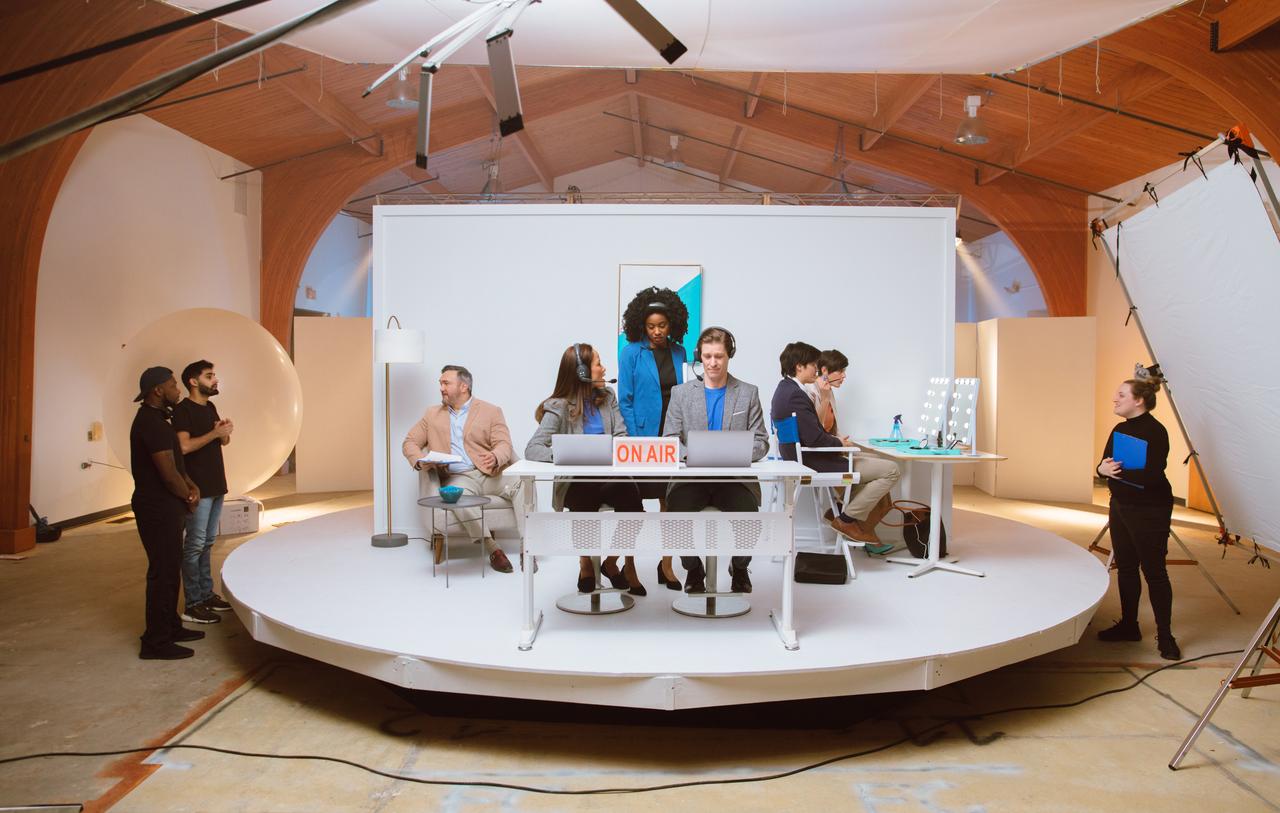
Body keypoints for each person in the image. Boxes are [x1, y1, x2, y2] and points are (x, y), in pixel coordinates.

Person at [525, 343, 647, 595]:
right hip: (578, 480)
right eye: (598, 364)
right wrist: (567, 455)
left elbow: (621, 436)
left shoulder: (608, 397)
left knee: (634, 504)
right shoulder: (558, 406)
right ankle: (585, 562)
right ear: (582, 373)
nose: (604, 369)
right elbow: (533, 448)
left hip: (610, 476)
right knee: (584, 500)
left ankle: (611, 561)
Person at [663, 327, 769, 594]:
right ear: (699, 356)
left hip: (734, 479)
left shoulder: (748, 392)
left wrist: (733, 454)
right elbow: (670, 439)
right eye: (707, 356)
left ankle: (740, 567)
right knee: (675, 514)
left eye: (719, 356)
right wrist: (691, 455)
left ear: (729, 355)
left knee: (749, 516)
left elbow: (761, 441)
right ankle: (693, 569)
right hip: (691, 478)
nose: (713, 363)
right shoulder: (681, 393)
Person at [771, 342, 899, 551]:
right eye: (813, 365)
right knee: (892, 470)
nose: (816, 369)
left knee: (875, 467)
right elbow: (815, 438)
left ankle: (842, 513)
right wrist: (840, 443)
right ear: (799, 366)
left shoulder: (784, 389)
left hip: (806, 457)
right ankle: (846, 520)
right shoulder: (797, 394)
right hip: (813, 461)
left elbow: (814, 433)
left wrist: (839, 442)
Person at [1096, 377, 1180, 660]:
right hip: (1120, 505)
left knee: (1155, 571)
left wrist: (1113, 472)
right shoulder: (1120, 429)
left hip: (1150, 509)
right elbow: (1103, 464)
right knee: (1127, 567)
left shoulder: (1156, 431)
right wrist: (1101, 470)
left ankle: (1165, 636)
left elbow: (1152, 475)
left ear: (1139, 400)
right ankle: (1129, 625)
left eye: (1121, 394)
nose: (1115, 398)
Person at [402, 365, 516, 573]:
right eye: (440, 383)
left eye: (446, 383)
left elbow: (504, 444)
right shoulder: (432, 414)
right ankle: (493, 549)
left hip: (490, 474)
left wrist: (495, 456)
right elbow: (410, 441)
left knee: (523, 482)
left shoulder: (491, 411)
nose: (441, 388)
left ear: (464, 386)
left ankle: (530, 544)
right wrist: (420, 460)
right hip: (459, 477)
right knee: (457, 497)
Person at [129, 366, 205, 660]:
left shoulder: (159, 420)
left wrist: (192, 484)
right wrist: (187, 494)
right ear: (158, 390)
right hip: (157, 508)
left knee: (171, 569)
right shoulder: (151, 423)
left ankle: (171, 626)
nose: (178, 389)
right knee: (162, 573)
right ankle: (156, 642)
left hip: (165, 506)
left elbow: (176, 466)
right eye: (173, 385)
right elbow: (167, 472)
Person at [617, 286, 689, 591]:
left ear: (672, 324)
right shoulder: (631, 353)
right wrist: (636, 441)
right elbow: (625, 399)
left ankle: (667, 564)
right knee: (632, 504)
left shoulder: (680, 353)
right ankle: (629, 566)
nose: (657, 332)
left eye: (662, 325)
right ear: (641, 326)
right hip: (642, 438)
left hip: (672, 436)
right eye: (651, 326)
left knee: (669, 501)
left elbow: (686, 395)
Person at [171, 360, 234, 625]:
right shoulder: (182, 411)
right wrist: (214, 433)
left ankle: (206, 594)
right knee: (195, 545)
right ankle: (193, 603)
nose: (215, 379)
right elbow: (184, 447)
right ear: (193, 382)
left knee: (207, 543)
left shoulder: (210, 407)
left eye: (214, 375)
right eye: (209, 376)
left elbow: (222, 441)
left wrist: (224, 433)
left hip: (216, 485)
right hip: (198, 489)